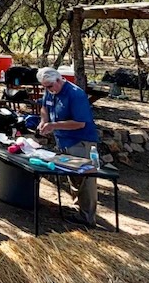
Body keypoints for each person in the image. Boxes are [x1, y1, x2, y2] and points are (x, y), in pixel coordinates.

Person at [37, 67, 99, 227]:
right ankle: (79, 210)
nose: (47, 90)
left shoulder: (75, 94)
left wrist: (53, 125)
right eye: (45, 87)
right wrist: (43, 121)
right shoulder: (50, 91)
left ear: (59, 80)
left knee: (85, 179)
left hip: (80, 141)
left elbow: (80, 123)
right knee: (73, 177)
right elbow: (44, 107)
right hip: (63, 141)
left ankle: (88, 218)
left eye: (49, 87)